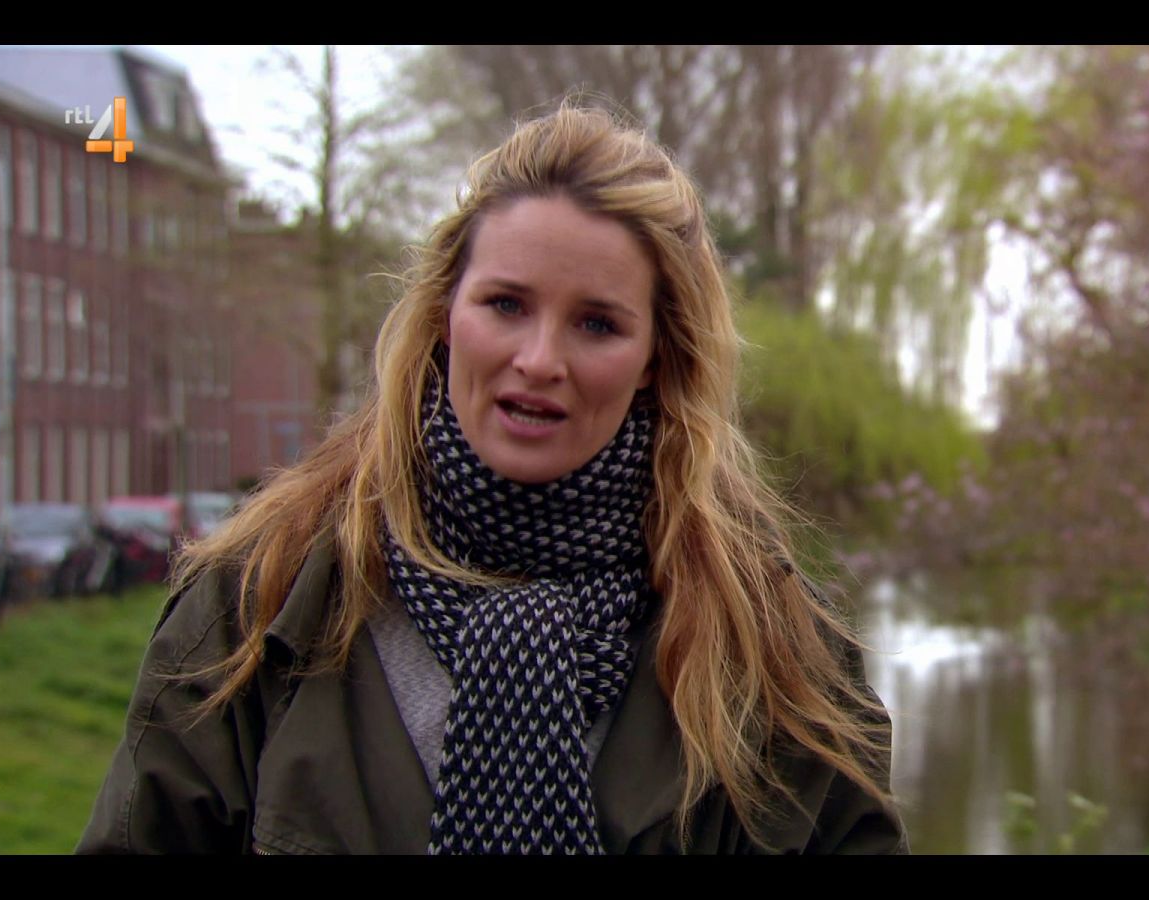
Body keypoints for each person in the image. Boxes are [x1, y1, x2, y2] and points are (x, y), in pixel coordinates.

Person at [78, 102, 905, 855]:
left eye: (597, 324)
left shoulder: (772, 645)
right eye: (506, 304)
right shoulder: (261, 597)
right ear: (447, 313)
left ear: (657, 356)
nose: (539, 360)